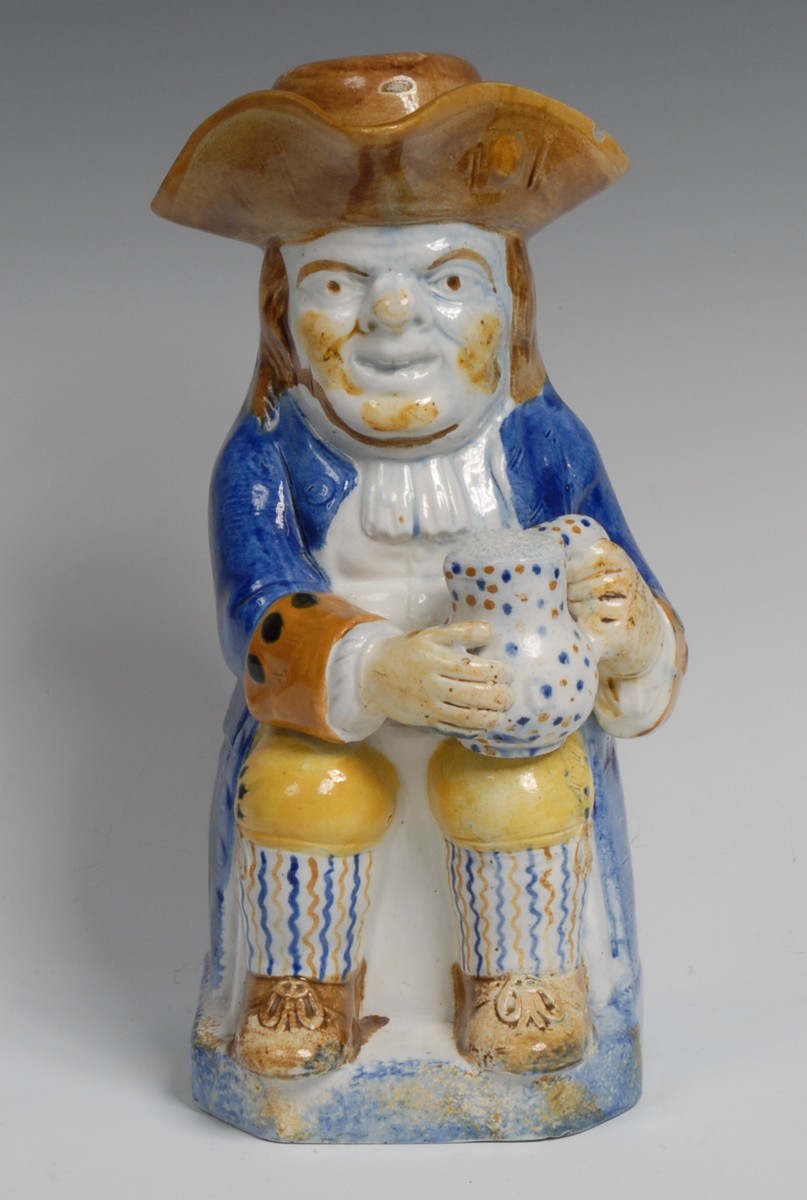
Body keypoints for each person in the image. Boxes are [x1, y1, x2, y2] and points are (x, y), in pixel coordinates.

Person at [154, 54, 686, 1091]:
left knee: (521, 781)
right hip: (330, 729)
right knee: (304, 784)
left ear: (511, 304)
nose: (393, 315)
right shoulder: (268, 457)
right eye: (339, 283)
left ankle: (523, 983)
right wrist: (371, 670)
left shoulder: (542, 443)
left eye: (447, 279)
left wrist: (630, 630)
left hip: (511, 727)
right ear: (282, 321)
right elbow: (252, 607)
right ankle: (301, 988)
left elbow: (635, 594)